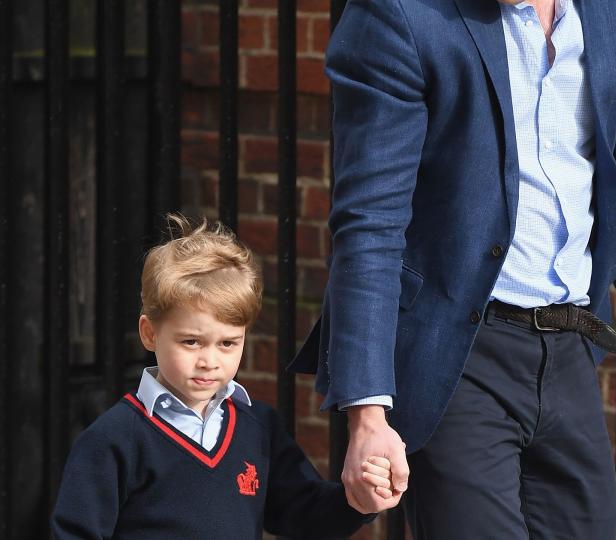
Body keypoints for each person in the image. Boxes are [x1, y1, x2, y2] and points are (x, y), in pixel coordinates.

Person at [290, 0, 616, 536]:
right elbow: (370, 221)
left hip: (571, 345)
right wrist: (367, 413)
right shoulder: (400, 14)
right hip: (454, 350)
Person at [51, 215, 394, 539]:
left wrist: (358, 501)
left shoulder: (259, 429)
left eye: (228, 343)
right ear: (149, 334)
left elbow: (305, 513)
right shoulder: (113, 440)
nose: (209, 361)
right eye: (191, 342)